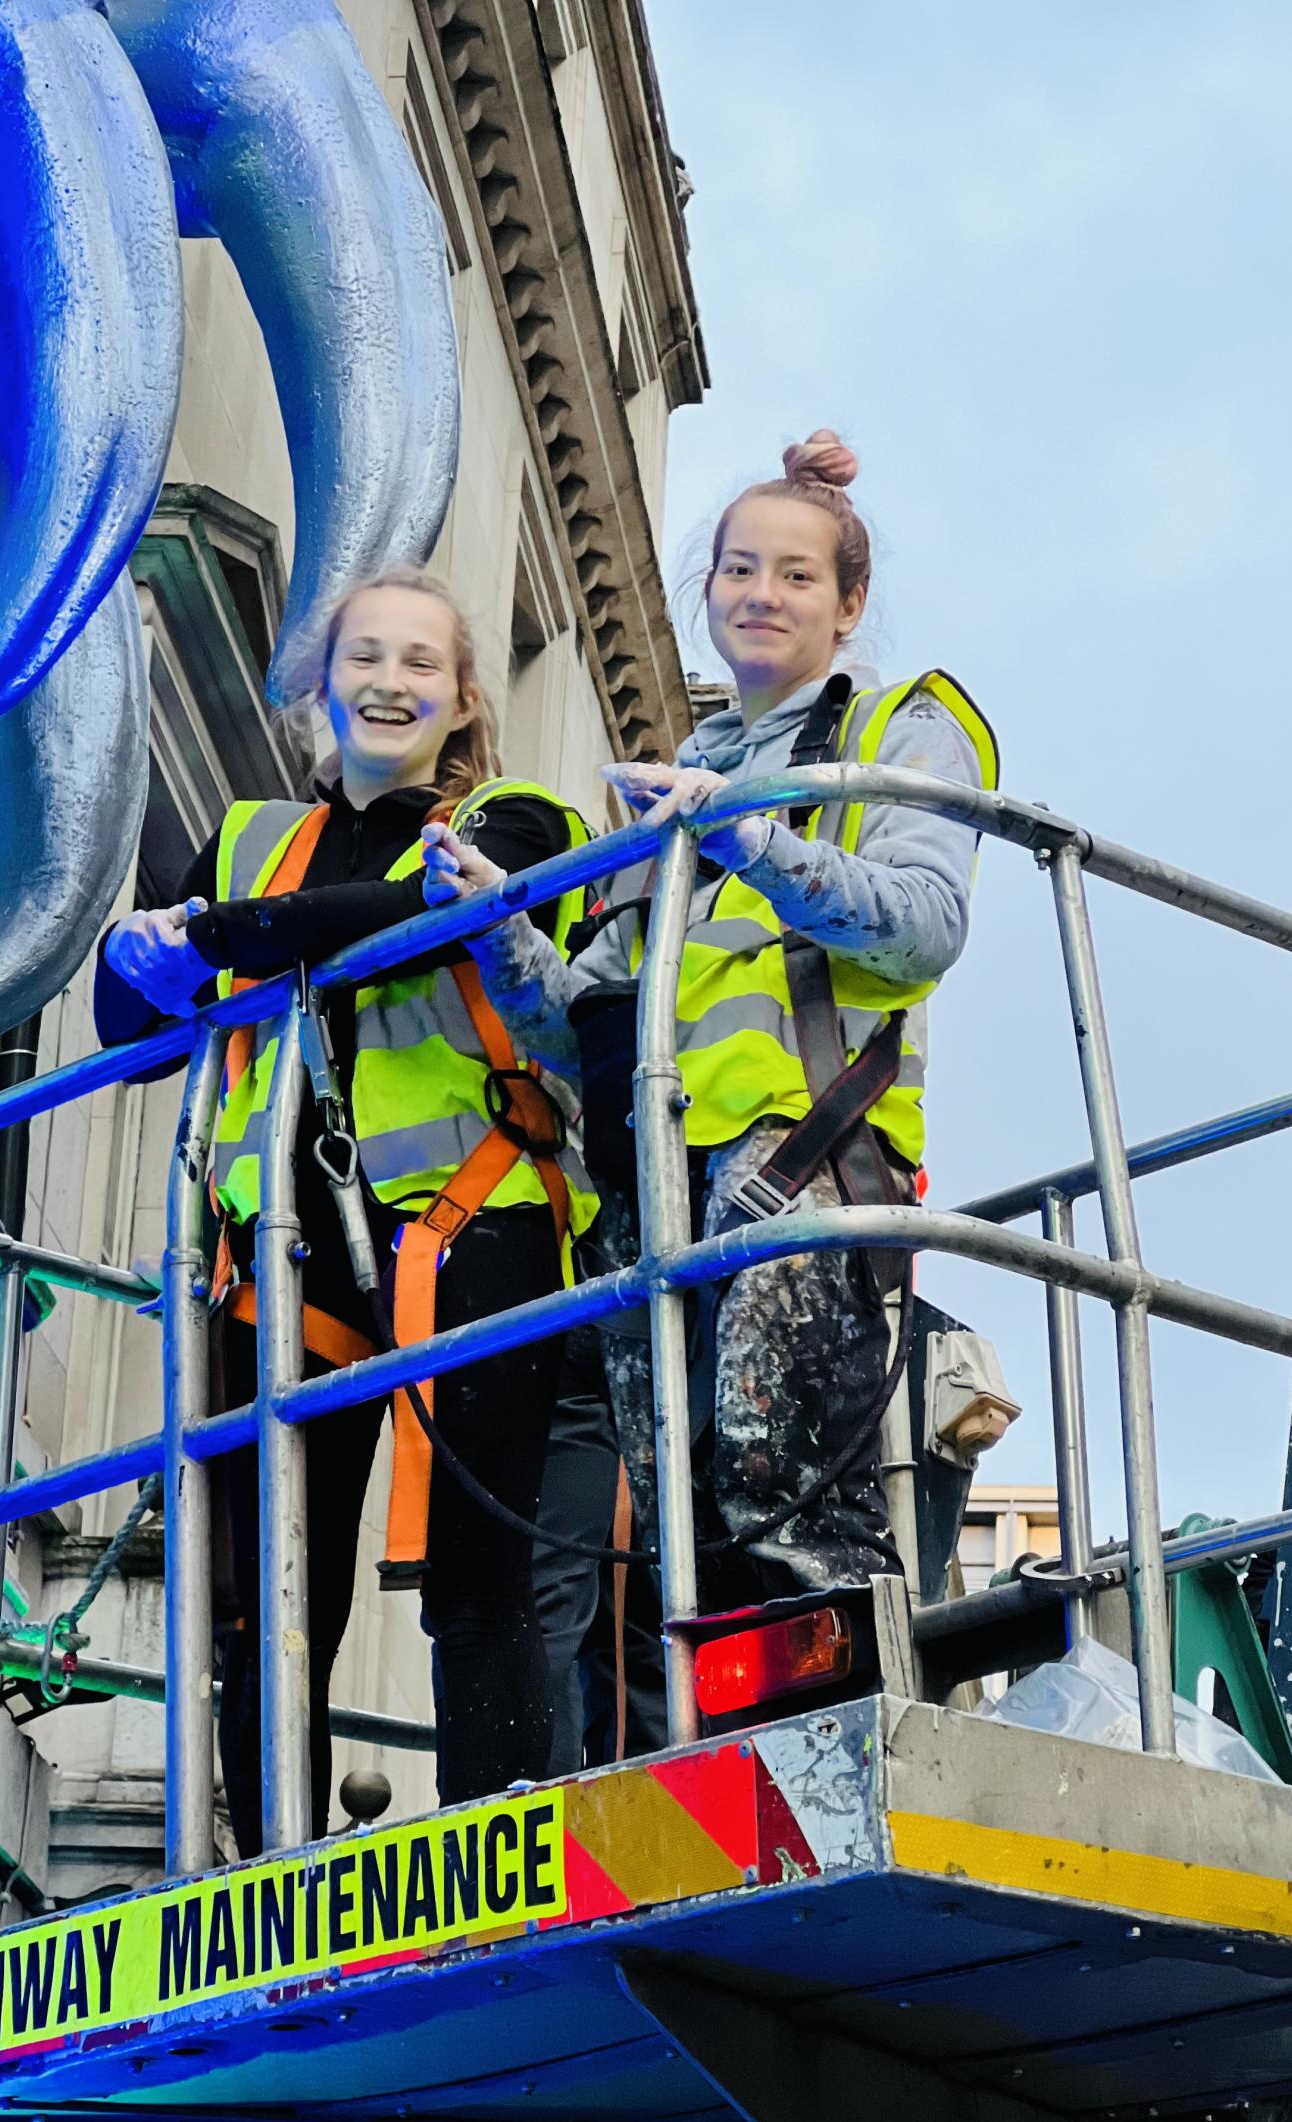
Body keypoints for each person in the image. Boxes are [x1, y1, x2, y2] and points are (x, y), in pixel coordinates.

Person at [422, 431, 997, 1623]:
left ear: (850, 605)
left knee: (778, 1501)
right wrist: (495, 927)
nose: (761, 594)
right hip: (657, 1191)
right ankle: (719, 1775)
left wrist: (748, 837)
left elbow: (925, 926)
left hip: (803, 1163)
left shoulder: (896, 727)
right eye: (739, 568)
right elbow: (579, 1020)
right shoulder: (669, 787)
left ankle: (841, 1770)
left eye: (795, 574)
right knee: (681, 1519)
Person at [96, 568, 596, 1849]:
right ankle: (269, 1866)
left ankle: (499, 1848)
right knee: (262, 1594)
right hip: (283, 1256)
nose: (389, 682)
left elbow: (423, 919)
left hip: (474, 1225)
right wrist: (147, 950)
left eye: (421, 663)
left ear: (464, 698)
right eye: (365, 657)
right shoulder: (258, 840)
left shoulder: (518, 818)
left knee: (478, 1580)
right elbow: (129, 1022)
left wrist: (210, 938)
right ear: (323, 686)